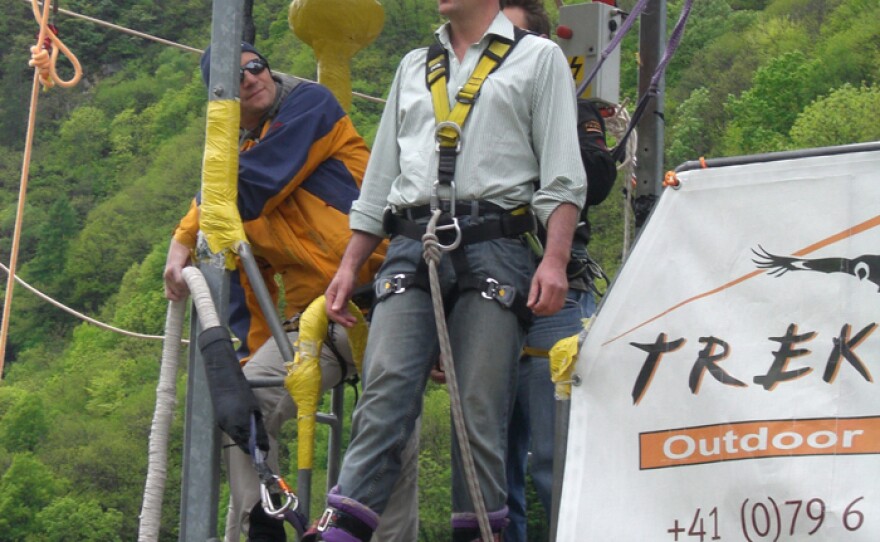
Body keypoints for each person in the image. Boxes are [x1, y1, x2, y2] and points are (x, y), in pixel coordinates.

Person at [310, 0, 587, 539]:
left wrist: (553, 260)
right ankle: (340, 531)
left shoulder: (538, 58)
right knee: (385, 393)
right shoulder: (416, 65)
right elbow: (381, 177)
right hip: (412, 242)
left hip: (495, 240)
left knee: (478, 413)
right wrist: (349, 265)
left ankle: (480, 532)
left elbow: (562, 177)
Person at [163, 42, 418, 542]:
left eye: (256, 66)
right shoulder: (234, 182)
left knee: (391, 430)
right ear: (222, 102)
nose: (254, 78)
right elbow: (246, 286)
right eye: (236, 78)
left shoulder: (312, 107)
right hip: (316, 321)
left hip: (389, 296)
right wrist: (244, 358)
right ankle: (262, 527)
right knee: (240, 409)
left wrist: (184, 234)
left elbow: (256, 182)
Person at [501, 2, 618, 540]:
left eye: (515, 38)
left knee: (556, 454)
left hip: (557, 294)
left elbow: (595, 178)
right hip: (486, 292)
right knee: (489, 458)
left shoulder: (573, 107)